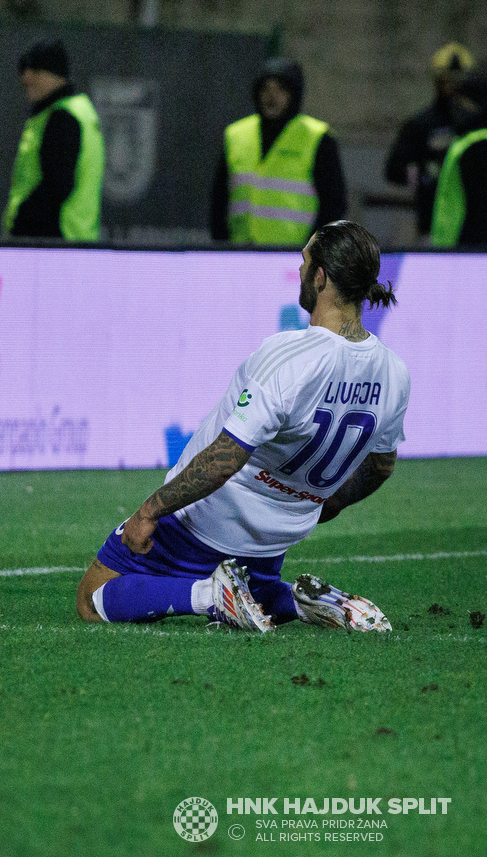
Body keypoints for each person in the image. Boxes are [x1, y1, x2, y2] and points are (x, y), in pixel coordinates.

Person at [75, 221, 408, 632]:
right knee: (257, 587)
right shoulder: (395, 373)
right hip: (278, 535)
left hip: (207, 521)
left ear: (321, 278)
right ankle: (306, 603)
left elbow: (224, 460)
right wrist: (330, 502)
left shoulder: (290, 356)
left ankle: (210, 596)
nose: (300, 270)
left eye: (304, 262)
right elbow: (381, 467)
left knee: (92, 597)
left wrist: (149, 511)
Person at [210, 57, 346, 245]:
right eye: (266, 89)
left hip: (292, 255)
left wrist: (314, 251)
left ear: (294, 94)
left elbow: (334, 205)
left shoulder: (317, 138)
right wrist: (222, 246)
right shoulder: (236, 135)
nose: (271, 97)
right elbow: (219, 199)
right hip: (240, 251)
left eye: (281, 90)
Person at [4, 39, 103, 241]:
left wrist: (21, 221)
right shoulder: (81, 111)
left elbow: (57, 186)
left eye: (34, 71)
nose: (26, 77)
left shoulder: (62, 117)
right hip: (75, 239)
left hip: (53, 243)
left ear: (53, 75)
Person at [385, 42, 472, 239]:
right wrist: (422, 174)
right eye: (447, 80)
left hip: (472, 228)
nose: (453, 87)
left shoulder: (475, 126)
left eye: (459, 81)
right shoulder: (423, 124)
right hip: (431, 225)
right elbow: (394, 168)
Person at [431, 72, 487, 248]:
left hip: (467, 249)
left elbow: (479, 208)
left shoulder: (477, 146)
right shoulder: (465, 142)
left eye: (462, 101)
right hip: (457, 249)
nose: (456, 106)